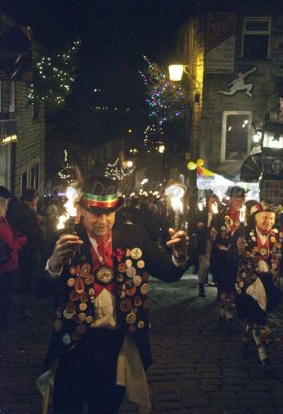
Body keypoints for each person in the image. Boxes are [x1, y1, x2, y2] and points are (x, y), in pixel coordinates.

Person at [36, 175, 190, 414]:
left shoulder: (134, 236)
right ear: (81, 210)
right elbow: (40, 290)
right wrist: (54, 263)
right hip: (75, 344)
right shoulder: (64, 240)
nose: (103, 220)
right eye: (95, 213)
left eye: (109, 213)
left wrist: (179, 256)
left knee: (107, 407)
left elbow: (167, 272)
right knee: (67, 406)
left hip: (116, 343)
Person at [235, 201, 283, 369]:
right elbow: (230, 258)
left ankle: (246, 337)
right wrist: (237, 249)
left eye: (271, 218)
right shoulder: (243, 234)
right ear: (256, 218)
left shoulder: (277, 235)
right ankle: (263, 356)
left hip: (270, 283)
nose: (269, 222)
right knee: (258, 318)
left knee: (256, 316)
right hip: (249, 282)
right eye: (265, 218)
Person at [211, 186, 247, 324]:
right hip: (221, 256)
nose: (239, 201)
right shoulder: (220, 214)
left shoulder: (246, 216)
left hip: (237, 256)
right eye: (237, 198)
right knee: (222, 283)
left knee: (233, 284)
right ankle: (222, 307)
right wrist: (214, 237)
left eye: (242, 198)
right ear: (230, 199)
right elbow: (213, 233)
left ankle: (231, 309)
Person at [9, 188, 44, 318]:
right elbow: (37, 236)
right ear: (33, 199)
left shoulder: (14, 210)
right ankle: (22, 309)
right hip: (28, 252)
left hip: (16, 251)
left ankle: (15, 305)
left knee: (17, 278)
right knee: (27, 280)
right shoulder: (30, 215)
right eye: (36, 200)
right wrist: (40, 225)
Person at [0, 187, 26, 328]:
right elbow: (9, 245)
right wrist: (21, 240)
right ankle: (4, 322)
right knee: (5, 295)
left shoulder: (3, 221)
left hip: (6, 266)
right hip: (5, 267)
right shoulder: (1, 223)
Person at [196, 193, 220, 297]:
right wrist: (199, 226)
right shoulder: (202, 213)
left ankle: (220, 291)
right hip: (204, 243)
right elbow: (195, 224)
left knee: (216, 266)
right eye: (211, 202)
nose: (213, 204)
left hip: (215, 244)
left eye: (215, 202)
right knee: (203, 265)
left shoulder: (220, 215)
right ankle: (201, 288)